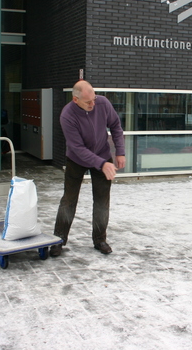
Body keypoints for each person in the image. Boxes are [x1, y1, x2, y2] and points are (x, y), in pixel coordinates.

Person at [50, 80, 126, 256]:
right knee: (69, 200)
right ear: (75, 99)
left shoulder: (102, 103)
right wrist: (101, 163)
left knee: (102, 201)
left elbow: (115, 125)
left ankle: (100, 239)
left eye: (94, 99)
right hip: (76, 160)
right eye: (88, 102)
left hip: (102, 155)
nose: (93, 104)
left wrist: (120, 152)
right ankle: (59, 240)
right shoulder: (67, 115)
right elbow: (77, 148)